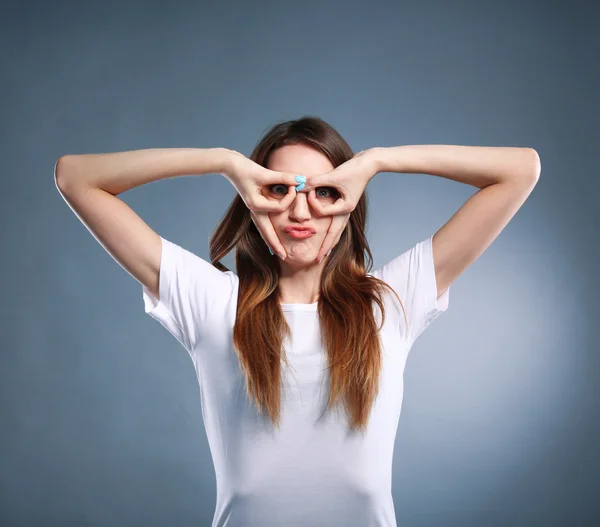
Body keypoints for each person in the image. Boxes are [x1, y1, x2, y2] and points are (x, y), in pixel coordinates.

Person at [54, 116, 540, 526]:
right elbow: (76, 178)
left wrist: (376, 161)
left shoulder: (390, 302)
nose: (300, 209)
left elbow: (520, 171)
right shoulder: (213, 302)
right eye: (277, 189)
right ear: (252, 197)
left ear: (349, 203)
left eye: (326, 191)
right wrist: (223, 162)